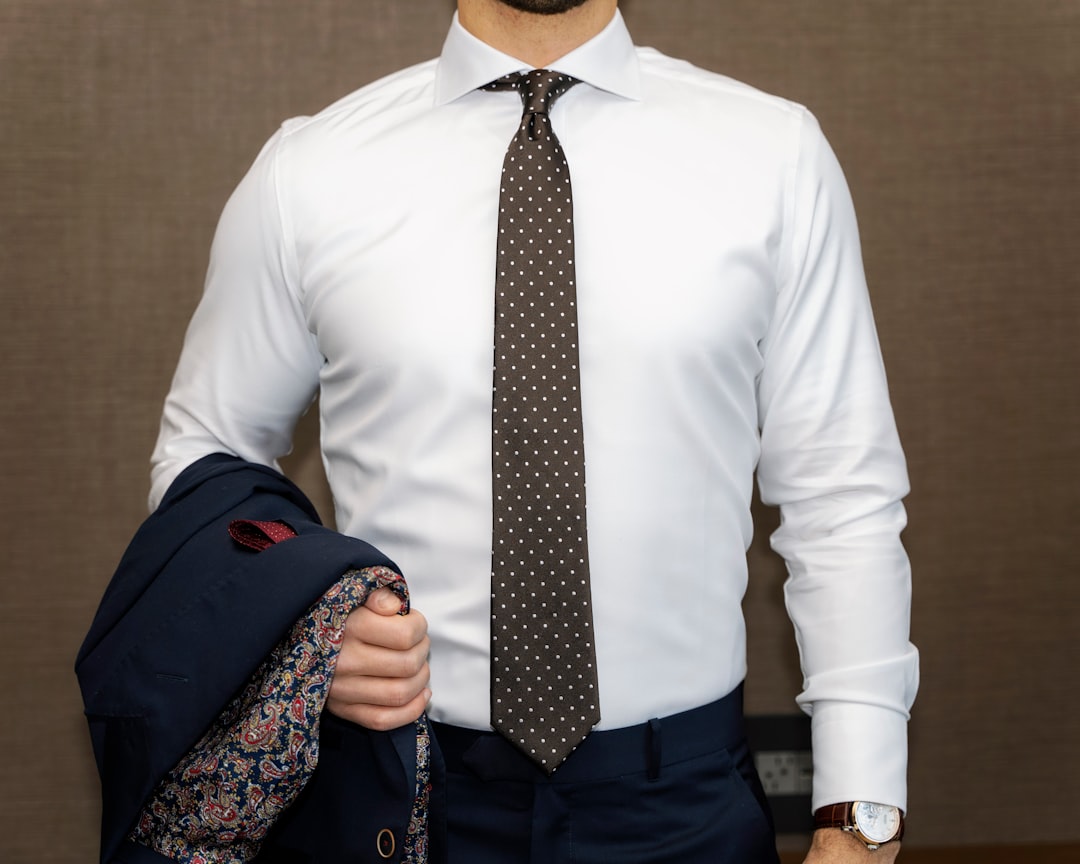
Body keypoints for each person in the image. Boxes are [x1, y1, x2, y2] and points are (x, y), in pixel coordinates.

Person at [147, 0, 918, 861]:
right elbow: (203, 462)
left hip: (683, 805)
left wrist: (861, 816)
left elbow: (841, 497)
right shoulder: (311, 172)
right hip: (396, 799)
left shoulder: (774, 156)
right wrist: (301, 624)